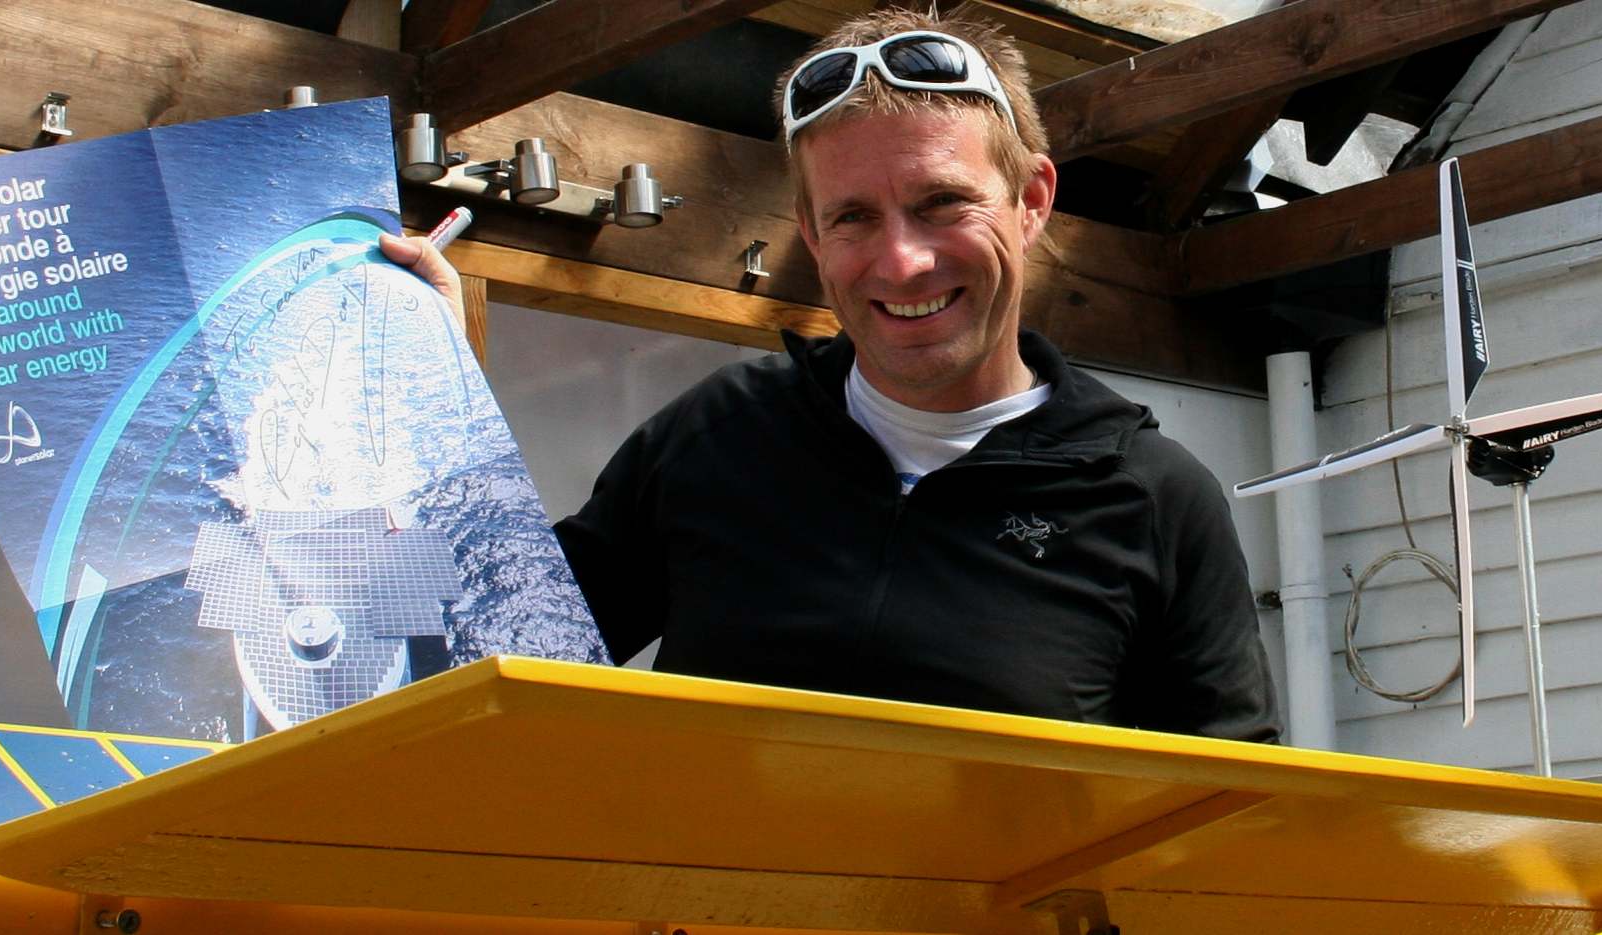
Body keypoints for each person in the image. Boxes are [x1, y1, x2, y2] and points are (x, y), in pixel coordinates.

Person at [382, 10, 1279, 742]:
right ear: (811, 234)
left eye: (941, 202)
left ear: (1033, 200)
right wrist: (423, 386)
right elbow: (488, 644)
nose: (902, 261)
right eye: (852, 217)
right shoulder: (717, 437)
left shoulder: (1154, 500)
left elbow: (1226, 833)